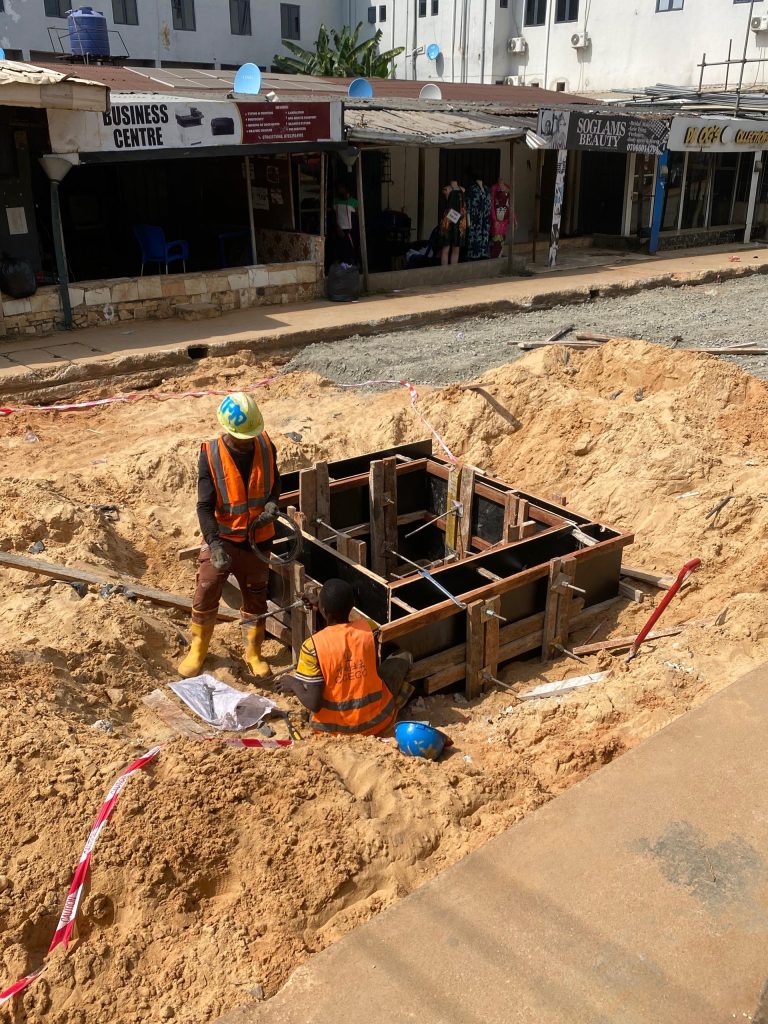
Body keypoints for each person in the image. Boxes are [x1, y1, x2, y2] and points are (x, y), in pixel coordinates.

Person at [178, 392, 281, 680]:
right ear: (227, 429)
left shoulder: (265, 445)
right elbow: (204, 507)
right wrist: (214, 545)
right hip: (223, 538)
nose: (247, 441)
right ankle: (198, 649)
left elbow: (275, 482)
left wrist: (272, 503)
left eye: (250, 435)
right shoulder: (211, 455)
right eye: (241, 437)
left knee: (256, 594)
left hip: (258, 539)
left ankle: (253, 652)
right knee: (208, 586)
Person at [276, 579, 413, 736]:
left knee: (317, 682)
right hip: (377, 721)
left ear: (323, 609)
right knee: (403, 656)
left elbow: (313, 703)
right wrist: (325, 609)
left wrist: (293, 684)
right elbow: (342, 633)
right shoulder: (369, 629)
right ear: (352, 605)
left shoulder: (311, 647)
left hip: (332, 730)